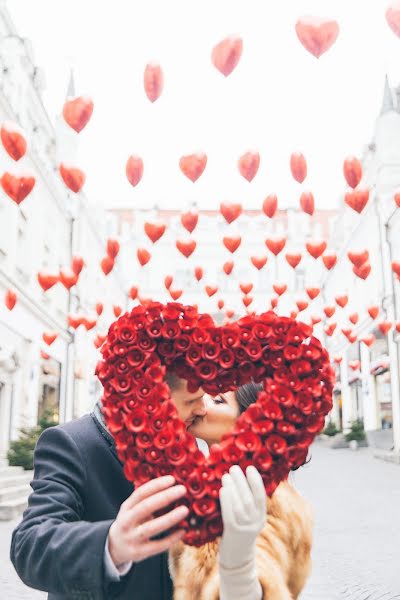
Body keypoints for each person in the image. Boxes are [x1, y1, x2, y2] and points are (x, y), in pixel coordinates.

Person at [10, 373, 207, 600]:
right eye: (192, 401)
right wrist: (111, 544)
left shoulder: (183, 442)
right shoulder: (70, 443)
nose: (202, 409)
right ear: (151, 398)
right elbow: (29, 545)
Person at [169, 382, 314, 600]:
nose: (199, 404)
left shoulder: (265, 497)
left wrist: (238, 563)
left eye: (217, 400)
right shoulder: (208, 484)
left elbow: (259, 589)